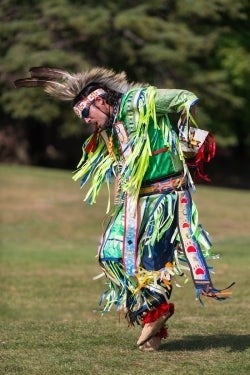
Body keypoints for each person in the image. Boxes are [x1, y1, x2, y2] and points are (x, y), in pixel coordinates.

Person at [14, 67, 234, 351]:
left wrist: (178, 134)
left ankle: (154, 322)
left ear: (101, 101)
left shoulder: (138, 102)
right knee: (111, 255)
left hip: (166, 197)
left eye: (85, 113)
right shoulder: (110, 129)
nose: (86, 120)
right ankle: (152, 315)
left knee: (154, 263)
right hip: (134, 200)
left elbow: (184, 97)